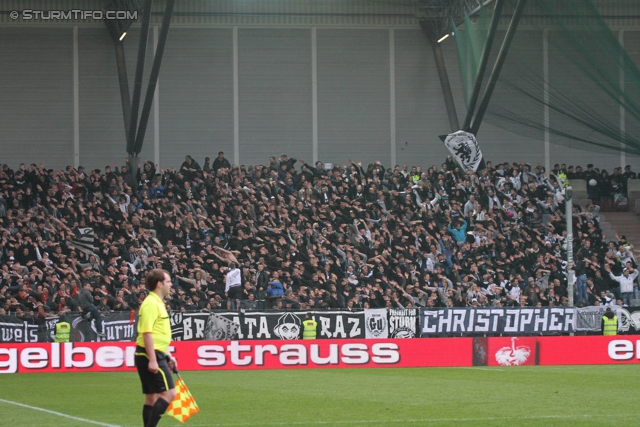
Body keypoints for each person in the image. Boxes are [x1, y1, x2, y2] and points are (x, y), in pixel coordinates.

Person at [135, 269, 177, 427]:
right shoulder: (151, 304)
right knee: (170, 393)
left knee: (151, 397)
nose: (170, 284)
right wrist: (153, 359)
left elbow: (158, 333)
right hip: (149, 354)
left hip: (153, 353)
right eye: (168, 281)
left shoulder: (157, 302)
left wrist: (168, 354)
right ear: (159, 284)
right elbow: (147, 333)